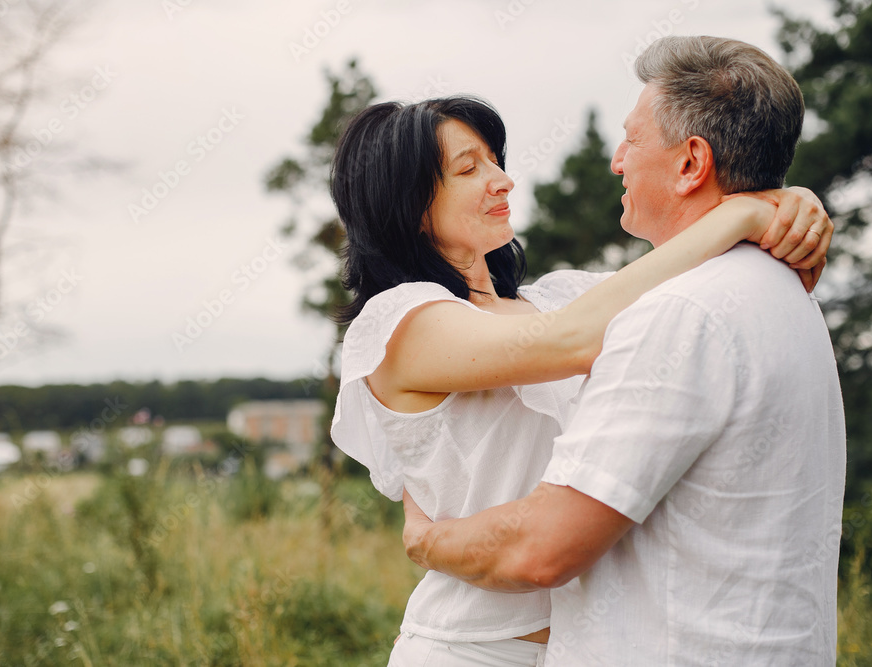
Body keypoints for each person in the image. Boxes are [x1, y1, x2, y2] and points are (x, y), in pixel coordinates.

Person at [331, 90, 831, 666]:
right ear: (410, 205)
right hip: (469, 650)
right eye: (470, 168)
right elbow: (570, 341)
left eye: (497, 160)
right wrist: (743, 213)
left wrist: (793, 203)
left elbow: (677, 282)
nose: (502, 180)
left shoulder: (559, 297)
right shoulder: (400, 325)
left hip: (586, 644)